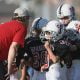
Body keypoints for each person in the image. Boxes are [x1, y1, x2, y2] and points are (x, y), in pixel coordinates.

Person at [0, 7, 30, 80]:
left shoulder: (6, 25)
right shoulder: (21, 27)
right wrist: (9, 67)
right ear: (25, 18)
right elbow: (13, 47)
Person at [57, 3, 80, 80]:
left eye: (65, 17)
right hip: (64, 62)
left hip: (76, 60)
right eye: (61, 18)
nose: (63, 20)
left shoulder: (77, 25)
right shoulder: (59, 26)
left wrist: (76, 46)